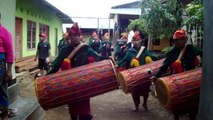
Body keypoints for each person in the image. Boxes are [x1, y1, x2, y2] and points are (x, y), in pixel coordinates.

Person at [48, 22, 105, 120]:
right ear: (69, 37)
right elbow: (56, 66)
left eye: (78, 35)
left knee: (85, 111)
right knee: (73, 110)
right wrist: (46, 76)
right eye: (74, 35)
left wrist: (107, 59)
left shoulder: (86, 48)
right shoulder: (65, 50)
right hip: (70, 85)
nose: (77, 37)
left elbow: (97, 57)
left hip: (84, 84)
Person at [153, 29, 202, 120]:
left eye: (178, 40)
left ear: (184, 39)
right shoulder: (172, 53)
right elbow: (164, 66)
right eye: (175, 40)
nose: (176, 42)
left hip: (190, 82)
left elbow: (204, 54)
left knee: (193, 108)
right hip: (177, 85)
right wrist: (156, 76)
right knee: (176, 108)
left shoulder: (192, 49)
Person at [118, 32, 158, 112]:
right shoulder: (129, 52)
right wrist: (117, 65)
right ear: (132, 42)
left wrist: (156, 58)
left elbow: (152, 56)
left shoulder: (144, 50)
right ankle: (136, 105)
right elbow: (124, 60)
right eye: (134, 40)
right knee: (135, 91)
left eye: (138, 40)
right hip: (134, 75)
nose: (136, 42)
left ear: (140, 41)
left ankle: (145, 103)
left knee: (145, 90)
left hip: (144, 74)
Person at [0, 20, 14, 120]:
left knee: (1, 87)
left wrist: (9, 70)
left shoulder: (4, 32)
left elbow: (9, 52)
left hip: (0, 63)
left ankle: (5, 113)